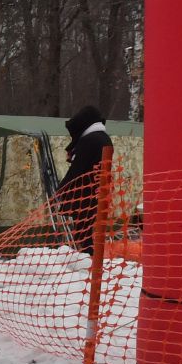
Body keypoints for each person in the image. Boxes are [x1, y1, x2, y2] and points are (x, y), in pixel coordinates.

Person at [56, 105, 114, 253]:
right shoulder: (104, 139)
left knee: (83, 232)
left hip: (85, 194)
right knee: (88, 230)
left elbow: (77, 169)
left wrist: (60, 190)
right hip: (98, 192)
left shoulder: (89, 140)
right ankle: (89, 260)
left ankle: (89, 261)